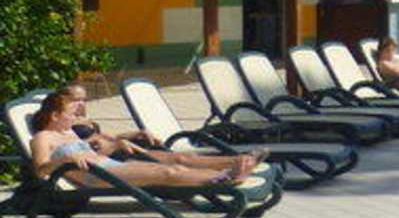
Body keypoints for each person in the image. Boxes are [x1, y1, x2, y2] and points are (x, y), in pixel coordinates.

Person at [28, 87, 260, 189]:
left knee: (171, 167)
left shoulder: (68, 132)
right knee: (167, 173)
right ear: (54, 116)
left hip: (110, 165)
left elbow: (95, 150)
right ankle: (223, 179)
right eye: (70, 114)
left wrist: (113, 144)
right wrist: (64, 160)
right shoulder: (43, 138)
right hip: (96, 177)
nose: (75, 117)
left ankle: (226, 174)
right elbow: (40, 170)